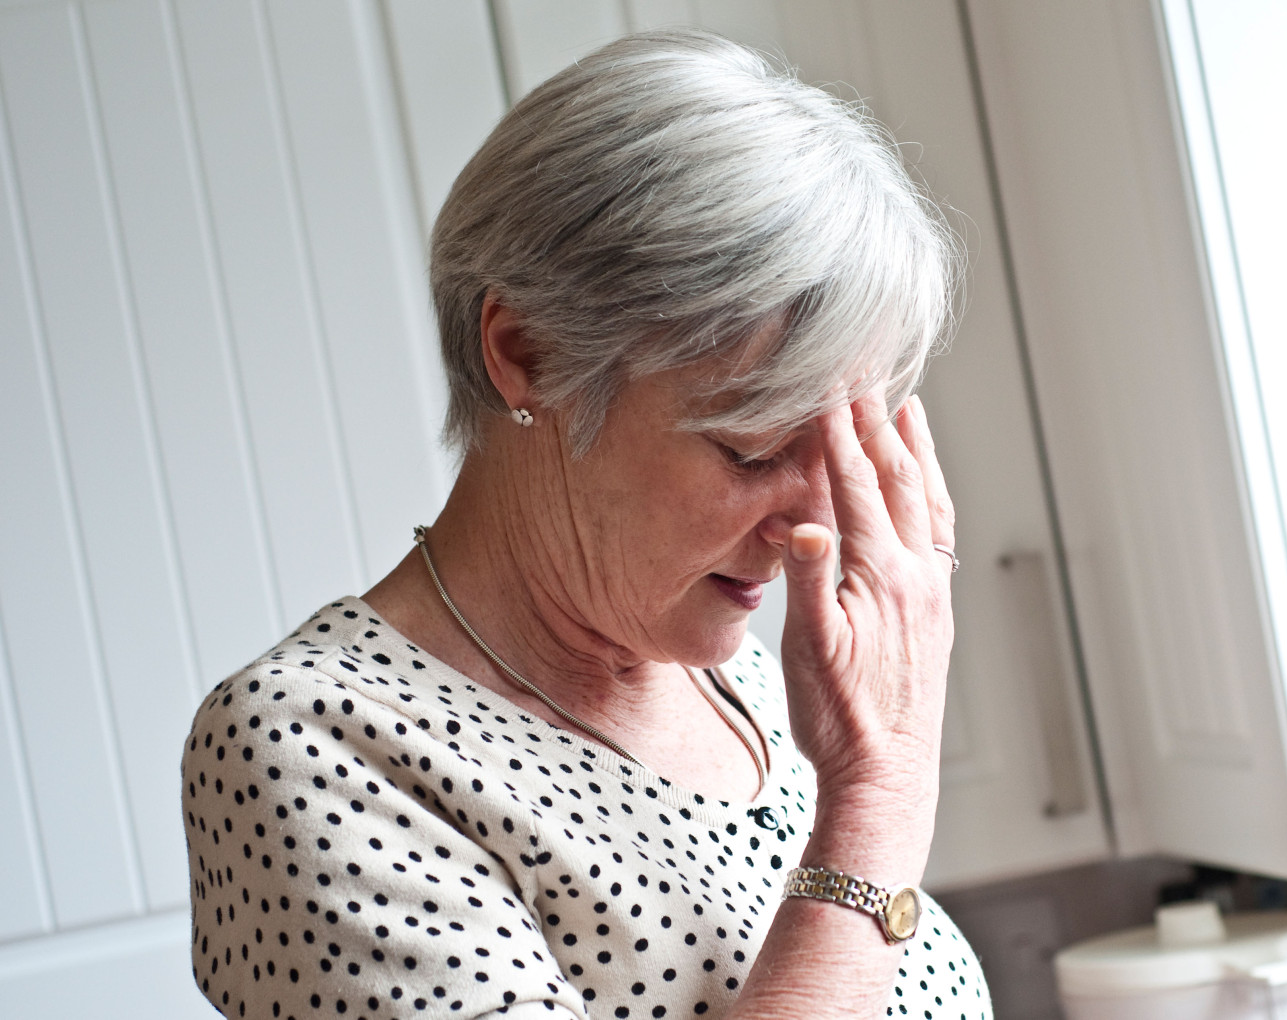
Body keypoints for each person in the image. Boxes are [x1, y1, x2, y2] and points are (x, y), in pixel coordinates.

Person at [181, 29, 987, 1020]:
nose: (813, 527)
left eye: (843, 451)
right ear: (526, 353)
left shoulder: (744, 684)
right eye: (752, 451)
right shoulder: (316, 748)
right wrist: (878, 799)